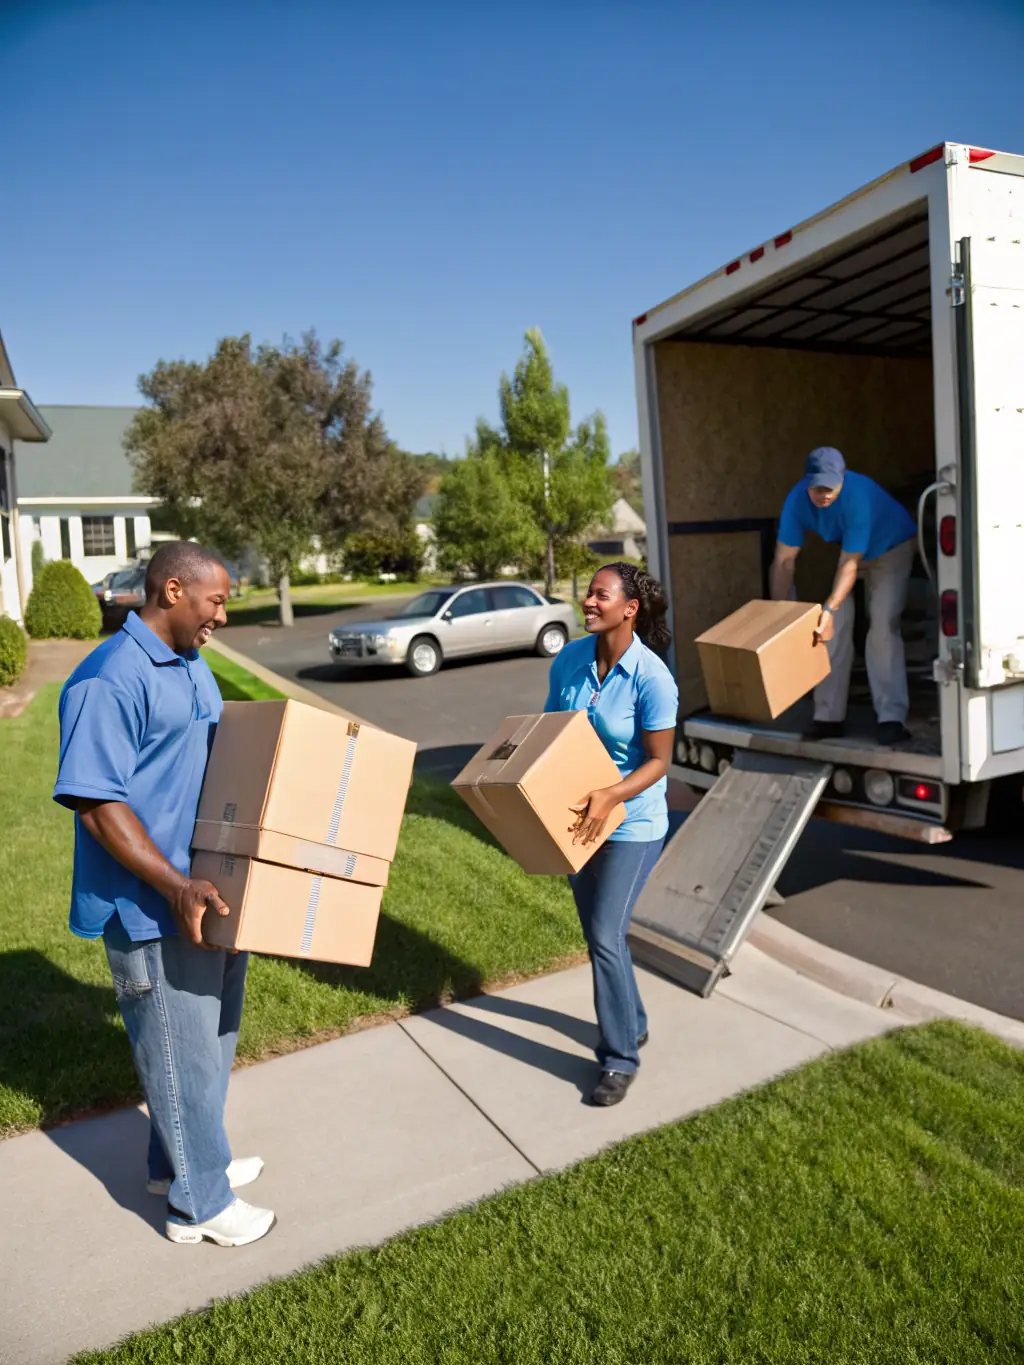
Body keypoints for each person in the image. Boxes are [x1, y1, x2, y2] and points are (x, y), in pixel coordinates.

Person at [53, 541, 275, 1247]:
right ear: (173, 590)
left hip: (206, 889)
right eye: (216, 600)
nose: (222, 616)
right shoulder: (109, 679)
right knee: (177, 1048)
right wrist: (177, 884)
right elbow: (97, 804)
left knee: (206, 1040)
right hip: (151, 902)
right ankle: (199, 1204)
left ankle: (178, 1159)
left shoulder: (188, 661)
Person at [544, 562, 678, 1107]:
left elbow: (659, 760)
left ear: (630, 608)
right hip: (582, 820)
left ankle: (620, 1058)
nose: (589, 603)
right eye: (588, 595)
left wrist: (611, 794)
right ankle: (635, 1019)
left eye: (601, 596)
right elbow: (552, 734)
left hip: (634, 822)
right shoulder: (571, 660)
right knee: (604, 938)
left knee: (605, 935)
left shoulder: (653, 677)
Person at [770, 446, 917, 746]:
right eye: (817, 486)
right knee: (829, 630)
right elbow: (784, 561)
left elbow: (849, 565)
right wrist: (778, 614)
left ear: (843, 477)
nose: (823, 493)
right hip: (853, 553)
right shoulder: (797, 501)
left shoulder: (856, 498)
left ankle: (891, 717)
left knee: (882, 622)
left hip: (892, 546)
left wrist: (829, 611)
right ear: (806, 482)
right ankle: (828, 717)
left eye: (830, 486)